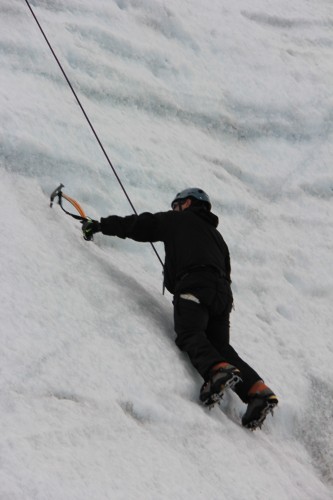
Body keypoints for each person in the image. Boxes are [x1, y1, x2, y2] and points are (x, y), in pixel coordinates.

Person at [82, 188, 278, 429]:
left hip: (194, 285)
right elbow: (226, 271)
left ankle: (216, 371)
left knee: (190, 333)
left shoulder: (177, 219)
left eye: (176, 205)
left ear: (187, 203)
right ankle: (258, 391)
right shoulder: (218, 238)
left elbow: (141, 225)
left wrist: (101, 225)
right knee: (222, 346)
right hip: (222, 295)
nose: (174, 209)